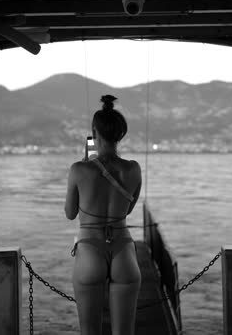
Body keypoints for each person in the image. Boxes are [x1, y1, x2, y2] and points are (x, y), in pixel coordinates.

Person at [64, 94, 142, 335]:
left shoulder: (79, 169)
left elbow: (70, 213)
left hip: (90, 250)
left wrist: (89, 165)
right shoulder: (133, 169)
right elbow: (126, 210)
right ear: (120, 134)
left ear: (94, 133)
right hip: (123, 250)